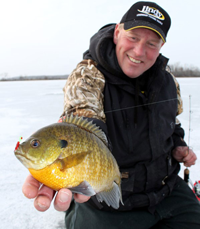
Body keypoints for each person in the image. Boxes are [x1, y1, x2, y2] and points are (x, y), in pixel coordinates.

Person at [22, 2, 200, 228]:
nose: (139, 51)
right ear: (117, 32)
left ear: (161, 45)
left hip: (168, 191)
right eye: (133, 37)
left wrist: (179, 146)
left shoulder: (168, 81)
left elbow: (172, 125)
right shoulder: (88, 75)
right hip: (108, 203)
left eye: (151, 43)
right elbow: (84, 122)